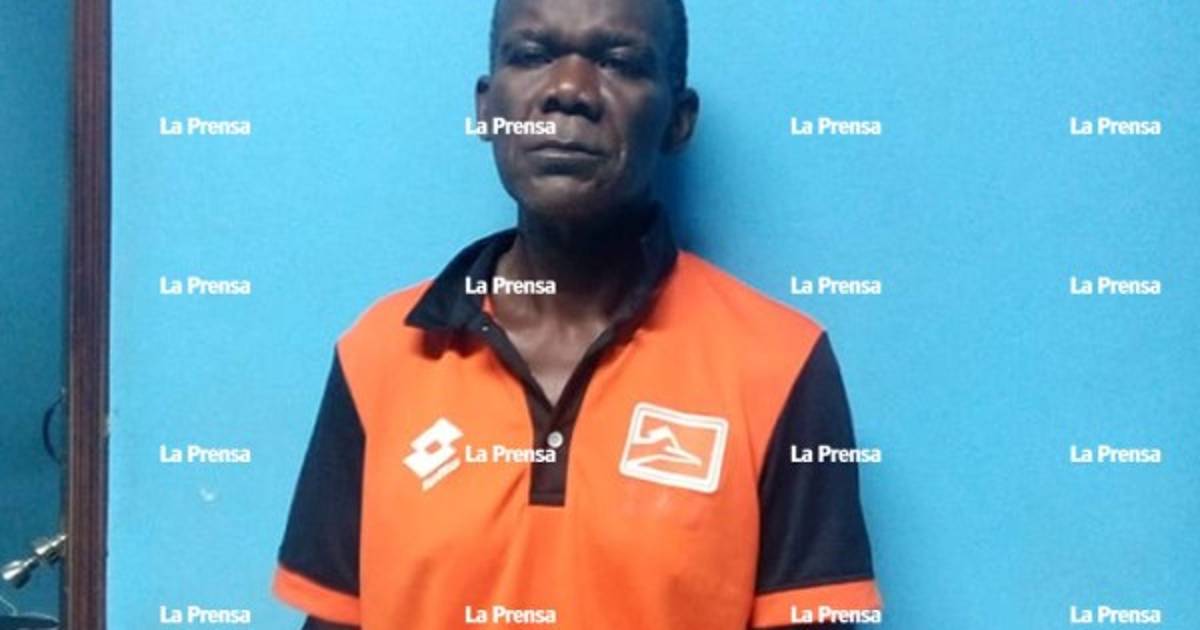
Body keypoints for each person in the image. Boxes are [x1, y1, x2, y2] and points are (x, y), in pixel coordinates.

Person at [273, 0, 882, 628]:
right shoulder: (380, 355)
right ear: (485, 108)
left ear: (678, 121)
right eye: (531, 56)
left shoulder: (781, 364)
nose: (568, 90)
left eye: (618, 62)